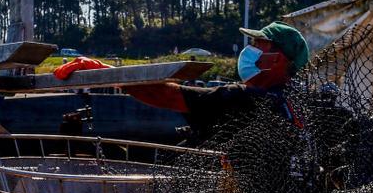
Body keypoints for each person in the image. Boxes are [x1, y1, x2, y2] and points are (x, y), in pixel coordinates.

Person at [124, 21, 310, 144]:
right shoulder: (298, 100)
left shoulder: (245, 98)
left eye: (257, 44)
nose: (249, 49)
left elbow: (167, 96)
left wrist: (110, 76)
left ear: (277, 59)